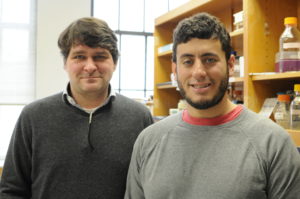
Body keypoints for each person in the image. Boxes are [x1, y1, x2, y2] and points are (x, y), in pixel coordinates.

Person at [125, 12, 300, 198]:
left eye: (209, 60)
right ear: (175, 70)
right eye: (188, 61)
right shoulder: (148, 141)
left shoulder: (273, 143)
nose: (198, 72)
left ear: (231, 64)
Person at [0, 17, 153, 198]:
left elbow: (149, 188)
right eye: (79, 56)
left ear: (115, 63)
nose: (89, 66)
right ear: (65, 63)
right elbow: (11, 190)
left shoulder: (140, 117)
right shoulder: (33, 116)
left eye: (100, 56)